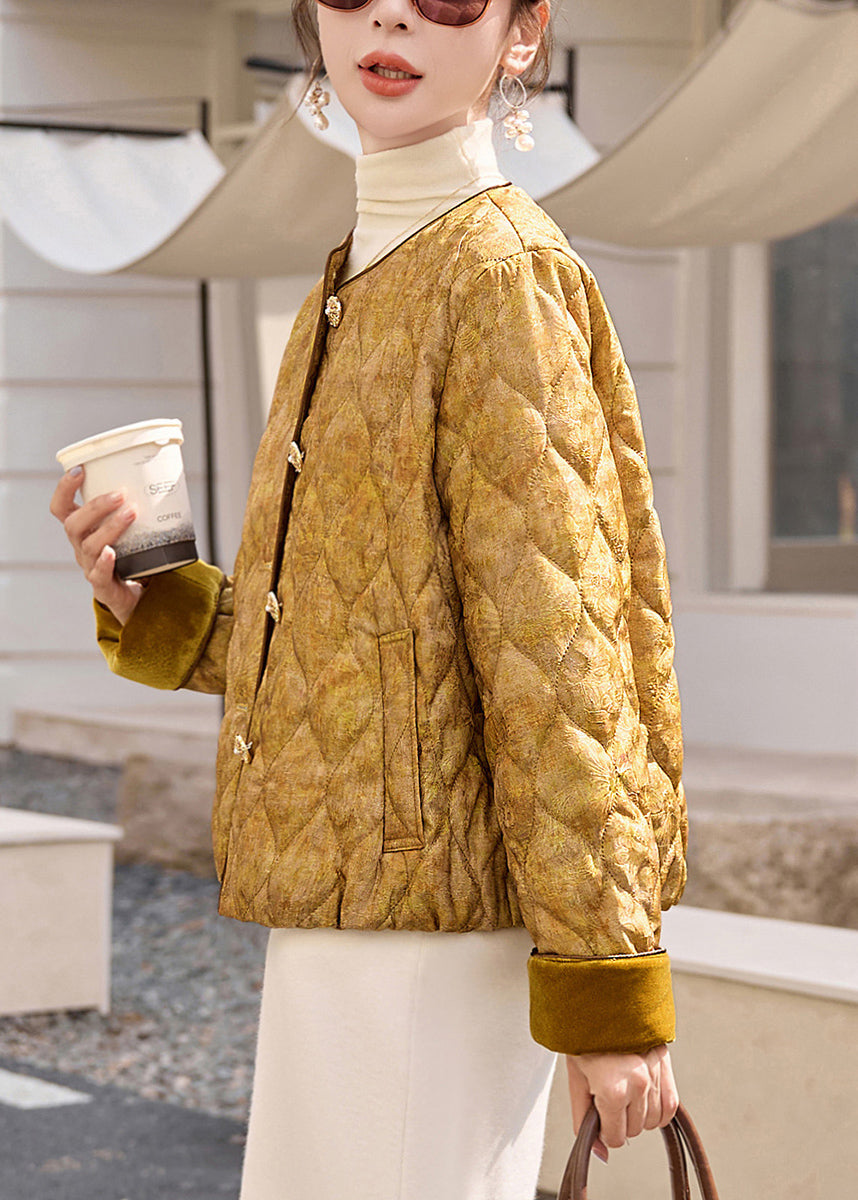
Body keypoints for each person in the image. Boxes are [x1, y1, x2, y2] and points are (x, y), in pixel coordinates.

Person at [50, 0, 688, 1195]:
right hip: (343, 925)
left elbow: (566, 663)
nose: (391, 13)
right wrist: (160, 603)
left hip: (436, 954)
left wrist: (610, 989)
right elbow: (361, 646)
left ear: (521, 32)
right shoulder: (356, 277)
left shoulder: (499, 277)